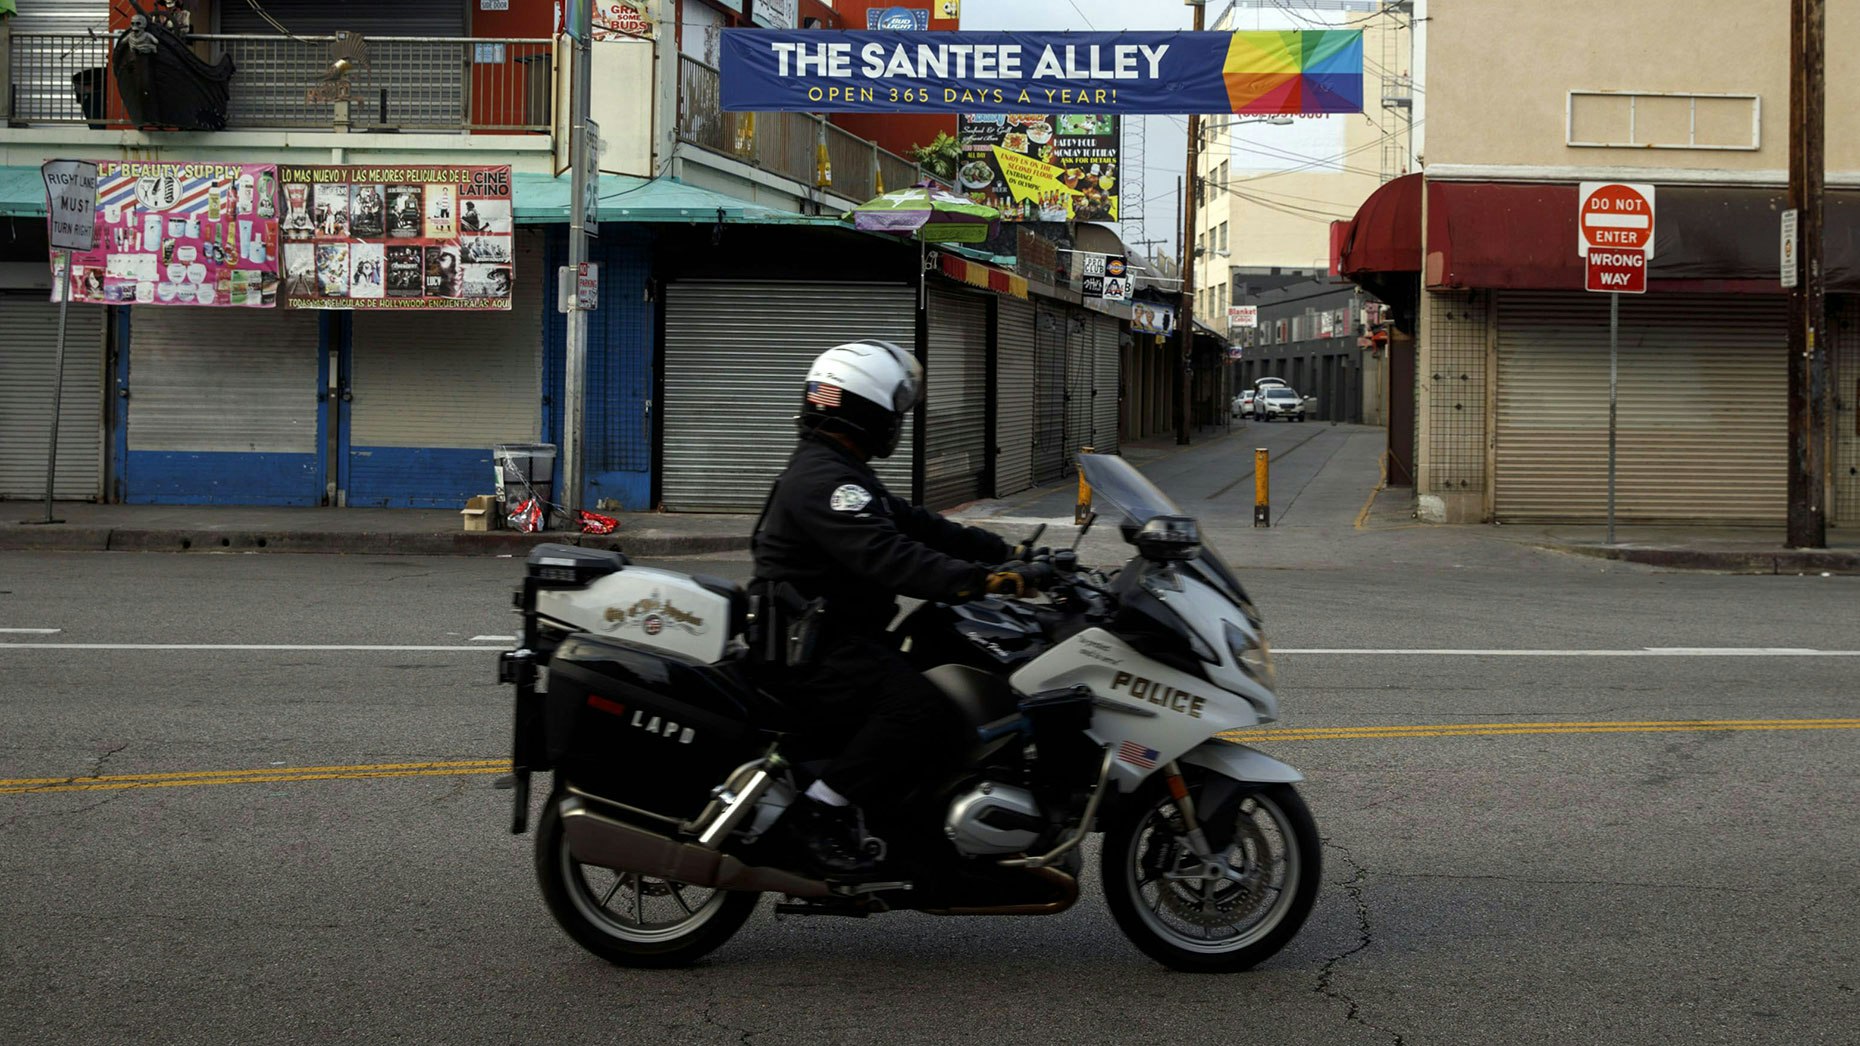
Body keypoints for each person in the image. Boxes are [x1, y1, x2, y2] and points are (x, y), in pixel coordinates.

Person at [750, 340, 1049, 877]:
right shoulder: (826, 481)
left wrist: (1007, 552)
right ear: (862, 412)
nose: (897, 424)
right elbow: (894, 558)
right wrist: (988, 581)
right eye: (892, 412)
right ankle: (820, 809)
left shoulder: (839, 469)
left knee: (944, 656)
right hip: (817, 649)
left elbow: (916, 524)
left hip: (833, 636)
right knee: (920, 707)